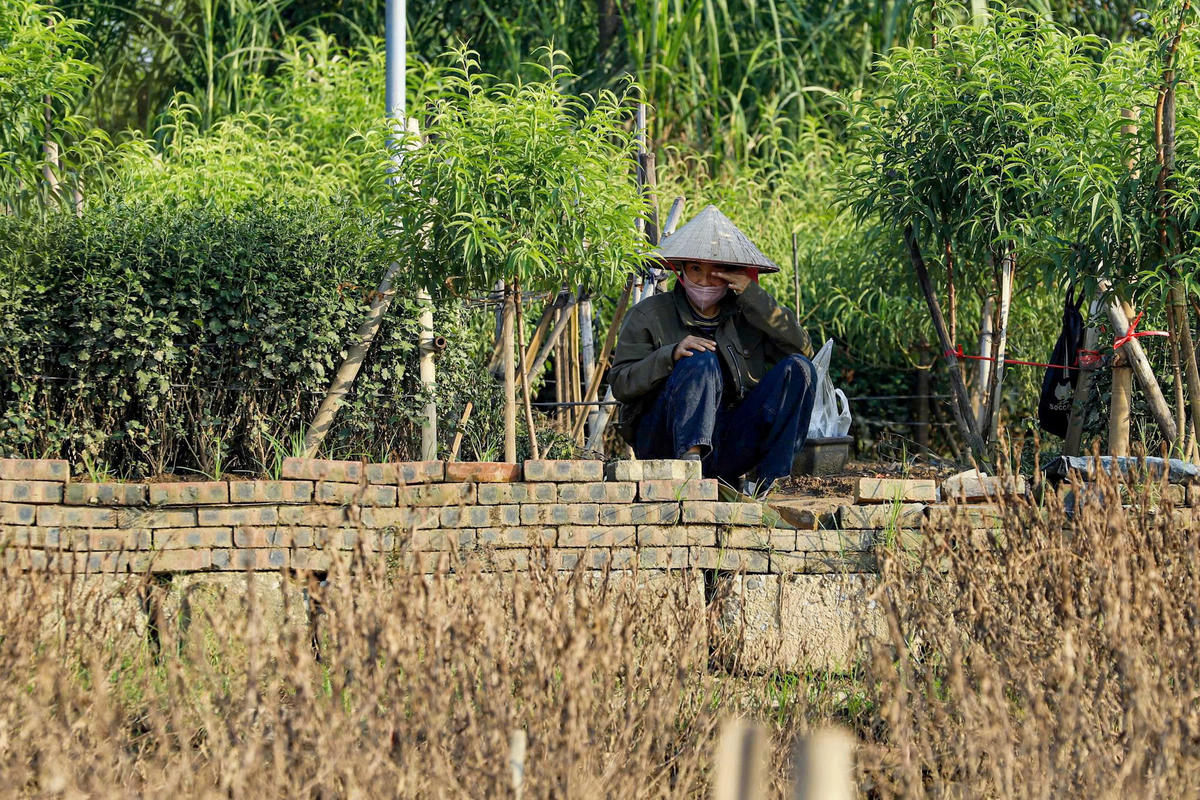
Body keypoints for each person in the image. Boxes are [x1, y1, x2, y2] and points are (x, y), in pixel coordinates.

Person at [609, 205, 816, 496]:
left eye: (715, 272)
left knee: (800, 369)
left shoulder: (748, 315)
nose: (704, 281)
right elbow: (621, 384)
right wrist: (670, 355)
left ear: (731, 275)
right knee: (699, 356)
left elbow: (803, 350)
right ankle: (691, 471)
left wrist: (754, 296)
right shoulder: (648, 315)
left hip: (728, 443)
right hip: (664, 440)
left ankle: (772, 482)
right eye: (696, 269)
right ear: (681, 270)